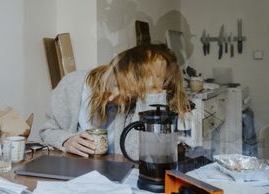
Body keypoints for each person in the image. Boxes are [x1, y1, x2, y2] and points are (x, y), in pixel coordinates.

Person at [39, 43, 189, 159]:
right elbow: (47, 131)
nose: (113, 96)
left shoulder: (136, 102)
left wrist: (152, 93)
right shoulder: (72, 84)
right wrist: (67, 140)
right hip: (73, 173)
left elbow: (138, 154)